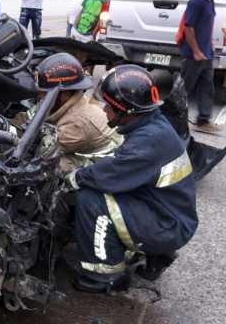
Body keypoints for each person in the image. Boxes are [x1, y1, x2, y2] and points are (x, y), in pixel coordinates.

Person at [65, 64, 197, 293]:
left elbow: (111, 175)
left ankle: (104, 276)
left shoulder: (148, 141)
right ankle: (155, 252)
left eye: (110, 106)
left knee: (91, 200)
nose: (105, 110)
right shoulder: (153, 126)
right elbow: (123, 166)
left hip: (167, 224)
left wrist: (74, 177)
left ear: (127, 110)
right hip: (170, 213)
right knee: (104, 193)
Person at [33, 53, 123, 173]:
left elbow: (43, 151)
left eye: (44, 93)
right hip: (89, 146)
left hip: (108, 163)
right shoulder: (68, 103)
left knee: (51, 166)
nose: (39, 96)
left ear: (64, 94)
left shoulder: (75, 124)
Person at [180, 0, 223, 132]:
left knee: (207, 87)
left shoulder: (209, 0)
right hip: (193, 55)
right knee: (184, 88)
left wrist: (208, 46)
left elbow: (204, 26)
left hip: (206, 53)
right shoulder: (197, 1)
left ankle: (203, 121)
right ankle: (172, 119)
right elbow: (188, 28)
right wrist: (196, 51)